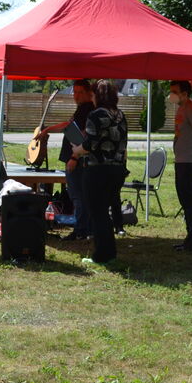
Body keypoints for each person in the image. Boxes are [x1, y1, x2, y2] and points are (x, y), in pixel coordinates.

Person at [72, 80, 128, 264]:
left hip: (98, 170)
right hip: (117, 169)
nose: (91, 97)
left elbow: (89, 145)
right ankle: (110, 252)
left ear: (98, 95)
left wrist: (76, 150)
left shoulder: (95, 115)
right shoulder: (121, 115)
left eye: (93, 94)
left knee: (98, 214)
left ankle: (101, 255)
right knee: (106, 212)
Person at [38, 79, 94, 240]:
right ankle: (85, 229)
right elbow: (67, 125)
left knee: (78, 196)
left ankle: (81, 231)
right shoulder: (82, 109)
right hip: (77, 159)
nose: (76, 96)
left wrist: (73, 157)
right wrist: (48, 129)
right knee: (80, 196)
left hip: (78, 160)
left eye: (79, 92)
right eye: (74, 92)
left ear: (88, 93)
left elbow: (82, 136)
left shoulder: (86, 109)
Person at [169, 80, 192, 252]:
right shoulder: (181, 108)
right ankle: (189, 238)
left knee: (190, 200)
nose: (172, 94)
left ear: (185, 93)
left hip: (190, 163)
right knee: (185, 200)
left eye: (175, 91)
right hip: (182, 161)